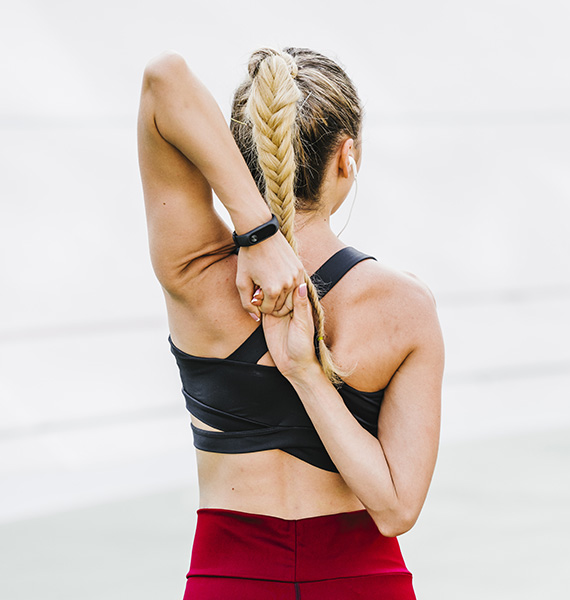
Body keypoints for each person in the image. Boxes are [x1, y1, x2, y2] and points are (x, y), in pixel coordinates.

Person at [137, 46, 444, 599]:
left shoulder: (195, 272)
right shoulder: (404, 306)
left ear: (239, 152)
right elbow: (396, 510)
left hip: (229, 581)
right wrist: (306, 373)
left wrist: (254, 232)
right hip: (363, 584)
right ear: (347, 156)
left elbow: (164, 81)